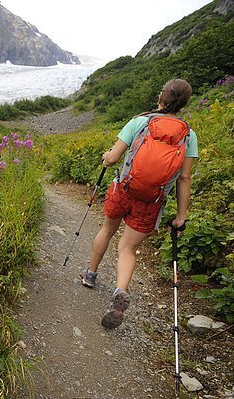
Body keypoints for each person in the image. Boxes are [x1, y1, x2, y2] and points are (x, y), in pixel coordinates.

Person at [79, 78, 198, 329]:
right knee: (127, 248)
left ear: (161, 99)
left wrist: (106, 158)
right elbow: (184, 178)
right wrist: (181, 215)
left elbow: (112, 158)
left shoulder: (140, 122)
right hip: (152, 200)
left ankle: (90, 275)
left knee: (107, 230)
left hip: (123, 190)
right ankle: (119, 291)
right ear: (184, 104)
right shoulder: (189, 136)